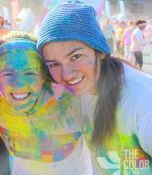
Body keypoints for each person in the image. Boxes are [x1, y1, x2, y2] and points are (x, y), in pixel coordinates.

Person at [37, 2, 152, 175]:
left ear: (100, 51)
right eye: (54, 64)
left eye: (76, 56)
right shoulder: (74, 93)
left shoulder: (143, 98)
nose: (67, 74)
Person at [0, 31, 93, 175]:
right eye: (8, 74)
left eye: (30, 73)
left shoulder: (73, 102)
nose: (19, 85)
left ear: (43, 76)